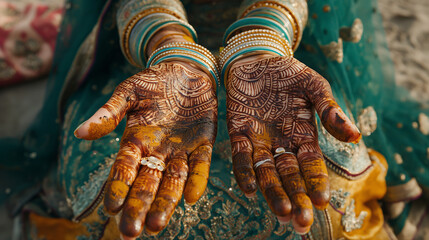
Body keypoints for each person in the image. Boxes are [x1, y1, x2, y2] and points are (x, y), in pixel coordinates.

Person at [1, 0, 427, 239]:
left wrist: (261, 43)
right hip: (146, 52)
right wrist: (169, 47)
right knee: (125, 213)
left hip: (280, 46)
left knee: (325, 207)